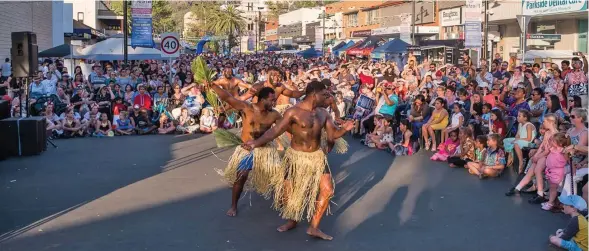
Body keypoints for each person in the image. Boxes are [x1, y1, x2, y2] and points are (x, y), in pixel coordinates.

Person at [242, 81, 354, 241]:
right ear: (314, 94)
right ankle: (292, 220)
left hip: (316, 157)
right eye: (324, 95)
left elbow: (333, 134)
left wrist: (345, 129)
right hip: (295, 157)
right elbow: (275, 130)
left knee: (328, 190)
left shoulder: (323, 113)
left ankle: (314, 227)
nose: (327, 98)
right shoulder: (293, 112)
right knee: (291, 191)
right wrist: (255, 143)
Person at [210, 83, 283, 217]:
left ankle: (283, 202)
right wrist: (212, 85)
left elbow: (283, 128)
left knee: (279, 177)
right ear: (262, 99)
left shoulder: (275, 115)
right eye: (272, 100)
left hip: (265, 150)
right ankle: (233, 206)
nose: (275, 102)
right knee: (241, 176)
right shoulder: (246, 108)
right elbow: (227, 97)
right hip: (247, 150)